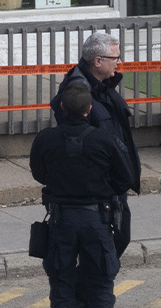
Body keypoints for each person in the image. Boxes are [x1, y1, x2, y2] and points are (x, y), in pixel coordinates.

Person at [30, 80, 135, 308]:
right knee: (101, 282)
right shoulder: (104, 140)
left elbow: (39, 173)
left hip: (61, 219)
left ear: (61, 108)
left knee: (61, 283)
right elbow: (124, 178)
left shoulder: (45, 139)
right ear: (89, 109)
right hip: (96, 220)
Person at [51, 31, 141, 256]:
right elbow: (77, 143)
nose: (119, 63)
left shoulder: (102, 86)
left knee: (119, 239)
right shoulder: (79, 92)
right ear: (98, 61)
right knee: (104, 251)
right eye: (115, 58)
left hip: (112, 185)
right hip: (100, 191)